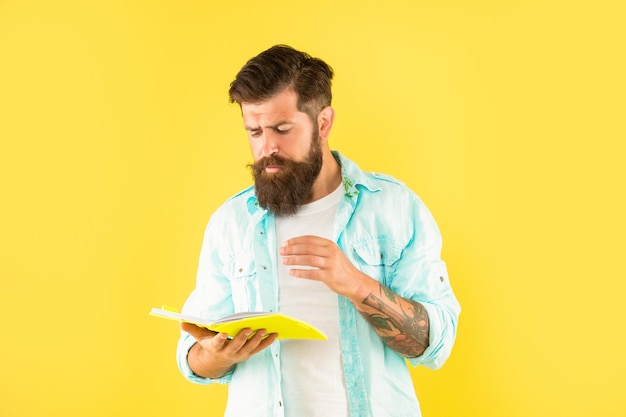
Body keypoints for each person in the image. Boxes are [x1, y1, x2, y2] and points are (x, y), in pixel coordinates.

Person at [176, 44, 461, 417]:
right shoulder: (231, 222)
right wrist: (215, 356)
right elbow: (193, 360)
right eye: (254, 131)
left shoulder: (394, 208)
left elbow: (433, 344)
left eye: (282, 129)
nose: (267, 147)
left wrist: (355, 283)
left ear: (323, 122)